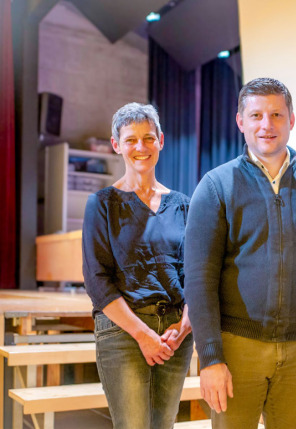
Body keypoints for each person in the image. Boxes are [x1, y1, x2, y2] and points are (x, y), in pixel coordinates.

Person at [183, 78, 296, 429]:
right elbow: (198, 279)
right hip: (237, 348)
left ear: (291, 119)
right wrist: (210, 358)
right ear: (241, 121)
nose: (266, 125)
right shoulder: (215, 186)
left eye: (276, 115)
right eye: (255, 115)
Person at [82, 102, 193, 429]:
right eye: (130, 140)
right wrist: (143, 334)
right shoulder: (102, 203)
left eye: (148, 138)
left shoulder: (183, 205)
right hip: (124, 332)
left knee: (164, 425)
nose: (140, 147)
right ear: (116, 144)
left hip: (175, 333)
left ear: (162, 140)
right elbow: (97, 281)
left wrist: (184, 327)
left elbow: (195, 276)